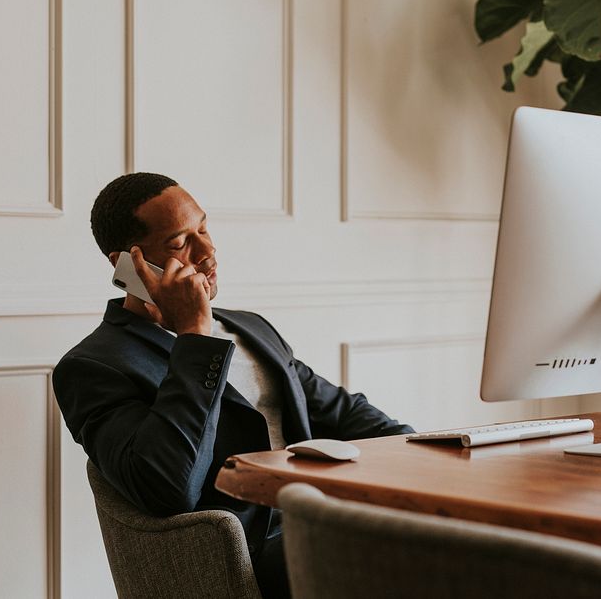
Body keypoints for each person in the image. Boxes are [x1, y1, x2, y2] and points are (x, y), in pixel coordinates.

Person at [52, 173, 414, 599]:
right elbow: (168, 487)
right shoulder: (93, 366)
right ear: (127, 265)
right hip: (251, 549)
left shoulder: (250, 327)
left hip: (322, 520)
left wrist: (427, 456)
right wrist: (195, 337)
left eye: (203, 228)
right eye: (179, 242)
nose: (208, 250)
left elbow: (345, 413)